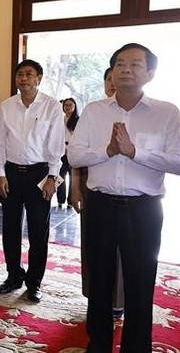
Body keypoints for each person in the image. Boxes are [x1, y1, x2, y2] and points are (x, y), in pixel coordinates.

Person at [68, 43, 180, 352]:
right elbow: (74, 155)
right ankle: (98, 344)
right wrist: (106, 151)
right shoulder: (94, 111)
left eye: (134, 64)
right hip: (101, 206)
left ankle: (136, 346)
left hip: (143, 209)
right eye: (119, 64)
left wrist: (135, 152)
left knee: (139, 281)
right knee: (100, 281)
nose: (125, 69)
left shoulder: (166, 112)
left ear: (151, 73)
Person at [0, 59, 64, 302]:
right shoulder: (7, 106)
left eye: (29, 74)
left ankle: (34, 282)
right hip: (11, 173)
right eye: (20, 74)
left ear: (39, 78)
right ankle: (13, 276)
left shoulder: (51, 107)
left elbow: (56, 146)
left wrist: (53, 177)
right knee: (10, 228)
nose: (23, 78)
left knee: (38, 230)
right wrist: (0, 173)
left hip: (39, 174)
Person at [71, 67, 125, 318]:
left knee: (122, 251)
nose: (113, 83)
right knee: (94, 247)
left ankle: (119, 300)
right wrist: (75, 189)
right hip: (91, 187)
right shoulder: (94, 112)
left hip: (126, 193)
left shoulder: (136, 114)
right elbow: (76, 156)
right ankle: (95, 296)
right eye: (108, 79)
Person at [56, 97, 79, 207]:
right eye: (66, 105)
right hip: (61, 151)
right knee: (60, 176)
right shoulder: (59, 120)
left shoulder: (78, 120)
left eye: (71, 105)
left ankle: (70, 201)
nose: (68, 107)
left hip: (73, 151)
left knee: (72, 177)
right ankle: (60, 200)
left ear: (74, 107)